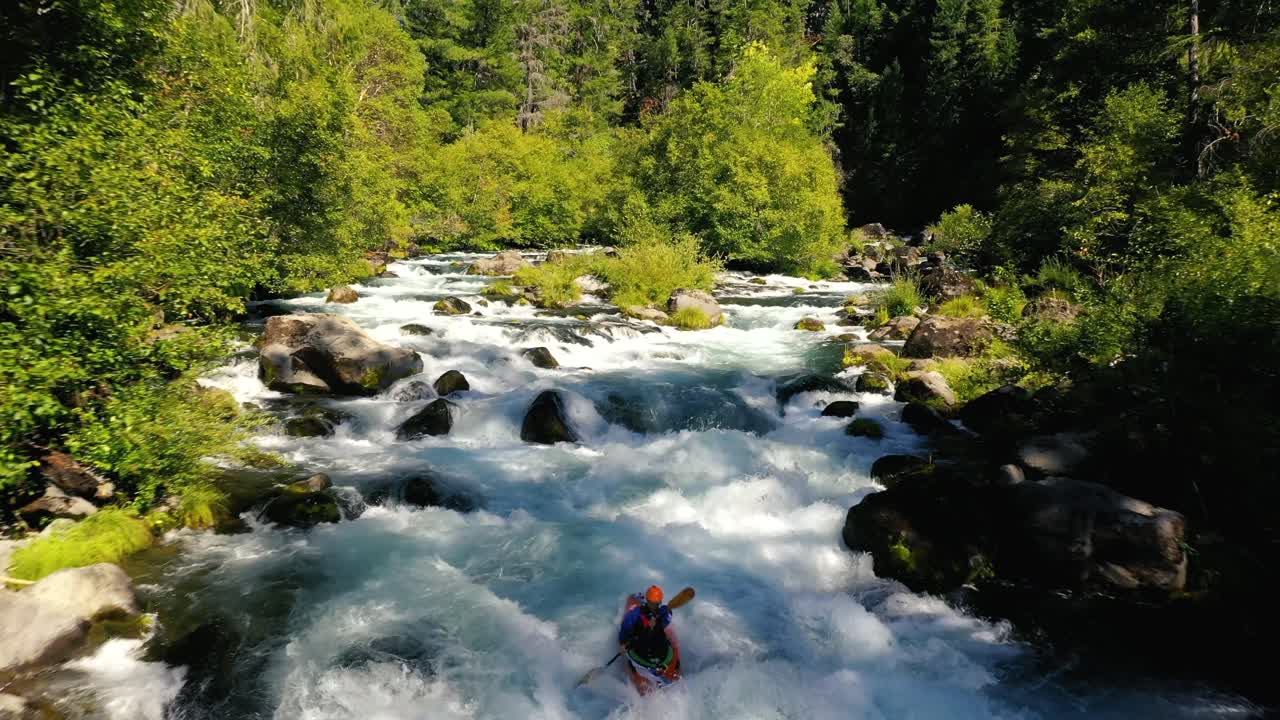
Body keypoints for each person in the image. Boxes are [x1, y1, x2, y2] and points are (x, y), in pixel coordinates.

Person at [617, 585, 681, 692]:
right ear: (647, 601)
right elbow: (625, 630)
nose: (654, 606)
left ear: (659, 602)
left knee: (656, 633)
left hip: (658, 652)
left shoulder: (663, 613)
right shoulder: (635, 614)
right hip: (643, 650)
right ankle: (644, 675)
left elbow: (667, 617)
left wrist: (658, 617)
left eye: (656, 603)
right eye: (651, 603)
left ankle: (661, 673)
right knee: (647, 633)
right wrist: (623, 643)